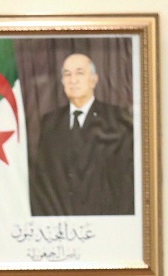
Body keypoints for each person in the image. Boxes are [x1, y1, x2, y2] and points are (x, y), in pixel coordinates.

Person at [29, 52, 134, 217]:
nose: (73, 80)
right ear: (62, 81)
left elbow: (127, 182)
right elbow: (41, 181)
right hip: (60, 224)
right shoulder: (50, 122)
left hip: (105, 221)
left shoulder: (116, 119)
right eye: (67, 74)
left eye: (79, 73)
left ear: (94, 80)